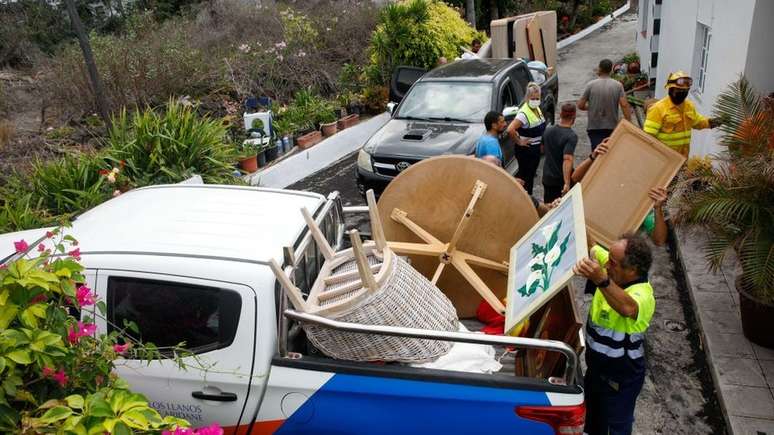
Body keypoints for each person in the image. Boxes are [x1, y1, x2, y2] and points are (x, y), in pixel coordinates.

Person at [573, 233, 655, 435]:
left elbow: (627, 307)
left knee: (613, 428)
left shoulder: (643, 295)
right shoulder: (614, 263)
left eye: (613, 263)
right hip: (596, 373)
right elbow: (591, 244)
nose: (606, 265)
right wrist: (566, 204)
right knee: (592, 423)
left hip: (619, 382)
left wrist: (601, 279)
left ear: (632, 270)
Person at [643, 70, 721, 157]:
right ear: (670, 89)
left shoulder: (689, 106)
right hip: (664, 159)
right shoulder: (658, 109)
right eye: (679, 90)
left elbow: (697, 122)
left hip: (683, 158)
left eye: (685, 91)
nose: (682, 93)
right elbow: (648, 138)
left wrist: (711, 123)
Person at [577, 59, 633, 151]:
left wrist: (590, 107)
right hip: (612, 126)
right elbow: (624, 104)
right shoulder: (618, 85)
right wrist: (629, 123)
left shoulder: (590, 85)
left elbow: (580, 105)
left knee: (596, 153)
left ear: (600, 69)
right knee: (611, 153)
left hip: (594, 126)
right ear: (611, 70)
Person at [507, 82, 547, 195]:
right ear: (527, 98)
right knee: (526, 179)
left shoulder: (536, 109)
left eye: (537, 98)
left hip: (534, 149)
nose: (535, 100)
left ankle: (528, 197)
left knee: (530, 176)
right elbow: (510, 129)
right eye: (533, 98)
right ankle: (526, 199)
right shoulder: (523, 114)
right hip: (526, 151)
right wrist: (519, 142)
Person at [541, 103, 578, 203]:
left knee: (549, 208)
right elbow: (567, 159)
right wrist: (567, 182)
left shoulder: (548, 130)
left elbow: (542, 149)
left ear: (560, 114)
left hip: (547, 177)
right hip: (560, 181)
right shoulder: (571, 136)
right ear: (574, 116)